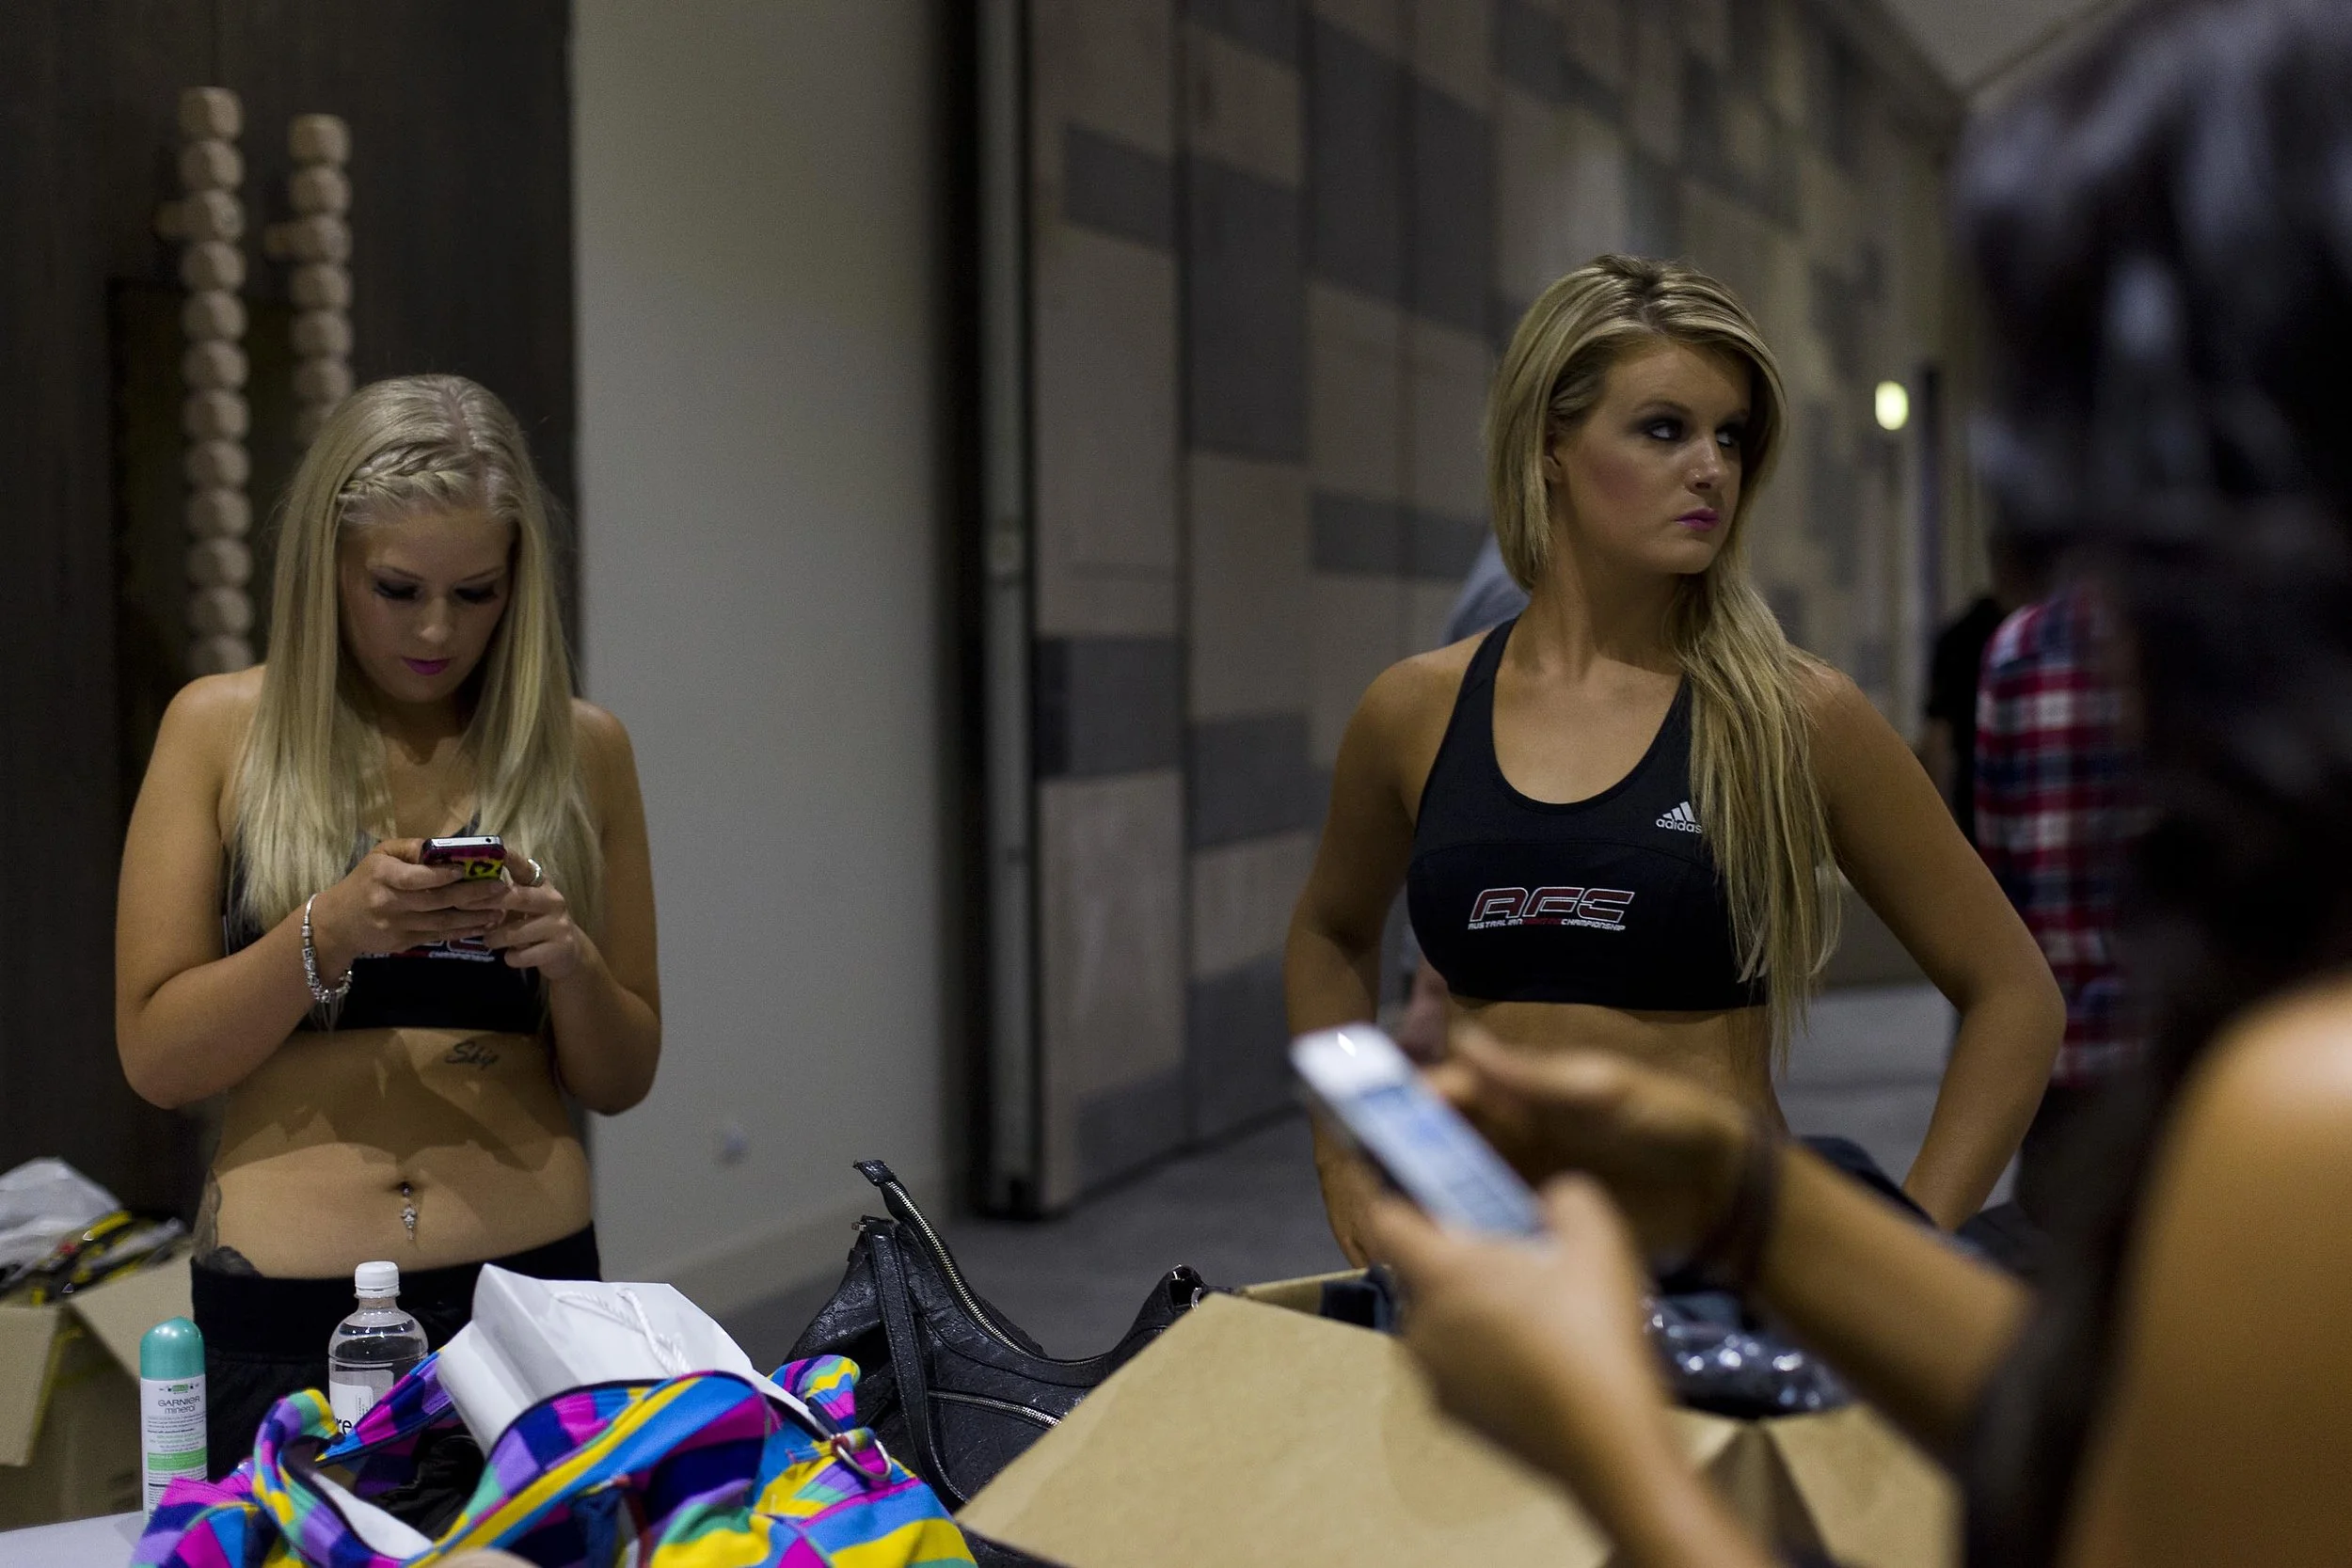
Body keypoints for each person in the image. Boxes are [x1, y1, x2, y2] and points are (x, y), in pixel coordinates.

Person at [1368, 1, 2352, 1561]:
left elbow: (2007, 989)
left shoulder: (2310, 1118)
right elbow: (2115, 1453)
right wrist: (1751, 1202)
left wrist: (1610, 1450)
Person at [1285, 255, 2063, 1262]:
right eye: (1664, 429)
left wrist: (1900, 1257)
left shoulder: (1791, 712)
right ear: (1551, 442)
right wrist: (1346, 1161)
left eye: (1730, 436)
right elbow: (1329, 934)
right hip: (1477, 1274)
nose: (1711, 468)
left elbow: (2014, 993)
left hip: (1718, 1282)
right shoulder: (1415, 709)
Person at [115, 375, 661, 1476]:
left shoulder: (580, 747)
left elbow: (623, 1071)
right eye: (397, 586)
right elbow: (157, 1057)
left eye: (476, 593)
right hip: (286, 1315)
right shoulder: (220, 733)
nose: (435, 628)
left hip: (533, 1298)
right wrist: (328, 930)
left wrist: (569, 962)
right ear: (328, 568)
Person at [1975, 580, 2138, 1227]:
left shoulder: (2022, 643)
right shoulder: (2255, 634)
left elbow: (1996, 865)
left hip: (2062, 1055)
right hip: (2206, 1068)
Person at [1919, 531, 2052, 847]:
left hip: (1999, 812)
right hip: (1986, 814)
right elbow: (1938, 741)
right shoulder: (1965, 638)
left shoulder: (1964, 636)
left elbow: (1937, 740)